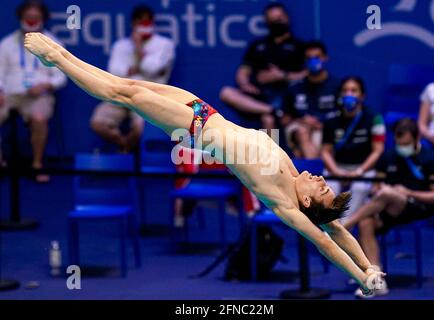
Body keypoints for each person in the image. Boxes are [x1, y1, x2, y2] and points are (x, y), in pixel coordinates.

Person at [24, 31, 387, 295]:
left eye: (320, 187)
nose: (320, 177)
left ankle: (55, 58)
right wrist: (370, 268)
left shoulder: (285, 203)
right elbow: (337, 229)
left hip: (195, 130)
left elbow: (325, 242)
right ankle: (61, 54)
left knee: (124, 95)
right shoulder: (292, 175)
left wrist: (359, 280)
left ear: (306, 202)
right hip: (204, 111)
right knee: (126, 84)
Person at [342, 119, 434, 298]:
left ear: (416, 138)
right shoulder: (388, 156)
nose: (401, 147)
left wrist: (409, 192)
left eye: (405, 144)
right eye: (398, 143)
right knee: (367, 221)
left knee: (389, 193)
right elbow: (376, 187)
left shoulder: (430, 158)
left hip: (419, 208)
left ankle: (345, 225)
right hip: (389, 207)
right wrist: (383, 190)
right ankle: (376, 280)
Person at [90, 5, 175, 153]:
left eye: (147, 22)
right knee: (97, 123)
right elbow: (114, 72)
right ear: (133, 24)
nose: (144, 25)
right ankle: (123, 144)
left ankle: (125, 152)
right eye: (140, 22)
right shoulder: (120, 45)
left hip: (148, 96)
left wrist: (139, 48)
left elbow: (151, 68)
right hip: (120, 94)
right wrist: (135, 68)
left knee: (140, 129)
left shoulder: (164, 45)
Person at [0, 0, 66, 182]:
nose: (31, 20)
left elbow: (61, 76)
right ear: (21, 18)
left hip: (39, 95)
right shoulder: (7, 43)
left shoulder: (54, 44)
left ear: (42, 18)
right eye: (28, 17)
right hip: (11, 95)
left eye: (35, 17)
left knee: (39, 117)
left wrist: (47, 85)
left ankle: (37, 165)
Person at [219, 3, 305, 131]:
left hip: (285, 95)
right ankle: (273, 110)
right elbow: (243, 71)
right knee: (226, 93)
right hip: (259, 96)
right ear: (267, 22)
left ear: (287, 18)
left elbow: (307, 74)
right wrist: (245, 84)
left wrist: (282, 76)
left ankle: (272, 151)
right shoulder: (258, 45)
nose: (277, 22)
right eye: (273, 20)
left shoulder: (299, 46)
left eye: (280, 18)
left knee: (268, 119)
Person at [321, 77, 385, 222]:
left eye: (354, 90)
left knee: (359, 188)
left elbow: (378, 150)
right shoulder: (331, 119)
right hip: (337, 169)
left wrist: (359, 171)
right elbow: (325, 151)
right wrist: (337, 172)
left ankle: (340, 230)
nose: (349, 94)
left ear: (362, 96)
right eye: (345, 91)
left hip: (364, 170)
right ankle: (333, 228)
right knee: (329, 189)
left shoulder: (375, 118)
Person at [282, 41, 340, 158]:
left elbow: (343, 115)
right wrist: (302, 120)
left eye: (317, 57)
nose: (313, 61)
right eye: (309, 58)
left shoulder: (337, 86)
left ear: (325, 58)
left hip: (326, 127)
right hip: (299, 126)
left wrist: (323, 123)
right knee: (302, 132)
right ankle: (315, 173)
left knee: (310, 144)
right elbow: (284, 119)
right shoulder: (295, 87)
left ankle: (308, 170)